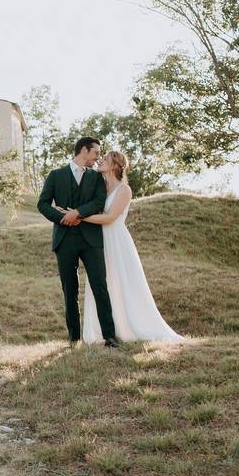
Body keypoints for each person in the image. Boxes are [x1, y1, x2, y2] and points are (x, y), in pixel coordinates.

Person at [76, 151, 184, 344]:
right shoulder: (100, 188)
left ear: (115, 165)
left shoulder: (123, 190)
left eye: (106, 159)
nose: (100, 161)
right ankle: (106, 330)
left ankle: (131, 327)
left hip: (116, 240)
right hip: (100, 241)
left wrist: (78, 216)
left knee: (123, 283)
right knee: (103, 283)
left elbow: (110, 218)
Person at [37, 137, 119, 348]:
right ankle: (74, 339)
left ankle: (109, 337)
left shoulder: (96, 178)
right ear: (84, 150)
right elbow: (43, 204)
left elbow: (99, 202)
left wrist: (77, 213)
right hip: (64, 240)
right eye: (95, 153)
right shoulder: (56, 175)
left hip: (91, 239)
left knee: (100, 286)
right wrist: (62, 219)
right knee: (70, 290)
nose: (97, 158)